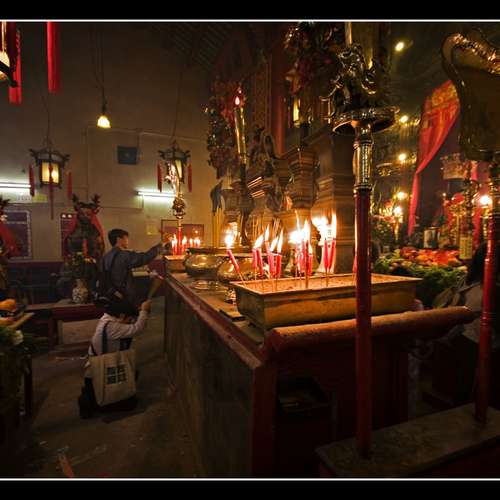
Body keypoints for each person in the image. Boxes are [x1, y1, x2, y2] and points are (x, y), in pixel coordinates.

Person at [78, 298, 151, 418]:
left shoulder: (106, 320)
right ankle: (94, 402)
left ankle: (95, 399)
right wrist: (144, 311)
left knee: (130, 398)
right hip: (99, 372)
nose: (130, 322)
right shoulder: (111, 327)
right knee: (129, 403)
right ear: (121, 315)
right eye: (129, 319)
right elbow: (138, 329)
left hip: (96, 369)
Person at [100, 228, 166, 307]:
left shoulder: (106, 256)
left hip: (113, 294)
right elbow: (144, 258)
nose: (127, 241)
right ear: (119, 239)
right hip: (125, 295)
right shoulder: (123, 255)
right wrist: (161, 244)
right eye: (126, 238)